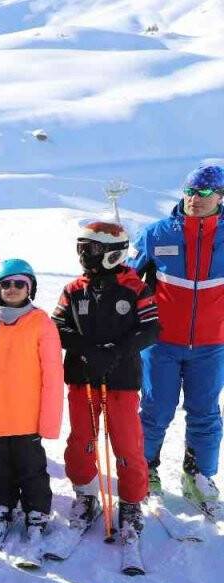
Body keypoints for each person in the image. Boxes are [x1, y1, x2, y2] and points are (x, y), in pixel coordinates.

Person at [54, 220, 158, 542]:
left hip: (121, 379)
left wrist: (114, 352)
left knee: (127, 444)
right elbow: (58, 326)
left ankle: (130, 502)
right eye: (82, 248)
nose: (85, 256)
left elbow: (151, 328)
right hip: (82, 378)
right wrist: (86, 349)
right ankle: (86, 494)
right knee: (82, 440)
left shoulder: (134, 287)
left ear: (113, 253)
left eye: (92, 250)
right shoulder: (73, 289)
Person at [130, 165, 224, 509]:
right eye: (189, 191)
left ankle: (198, 473)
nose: (194, 199)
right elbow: (127, 283)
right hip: (161, 343)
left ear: (220, 197)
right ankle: (145, 468)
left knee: (204, 411)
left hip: (212, 345)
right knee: (155, 409)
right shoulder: (156, 235)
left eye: (203, 193)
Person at [0, 258, 63, 544]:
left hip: (27, 417)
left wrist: (48, 421)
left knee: (31, 469)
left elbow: (53, 376)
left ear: (30, 288)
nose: (13, 289)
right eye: (6, 284)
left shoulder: (40, 322)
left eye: (20, 284)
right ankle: (0, 505)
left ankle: (36, 511)